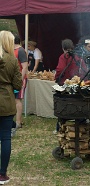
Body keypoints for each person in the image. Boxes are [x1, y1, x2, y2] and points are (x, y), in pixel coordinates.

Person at [0, 30, 23, 185]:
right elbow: (17, 84)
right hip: (6, 100)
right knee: (5, 137)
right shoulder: (12, 60)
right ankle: (2, 174)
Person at [10, 35, 28, 137]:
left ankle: (18, 122)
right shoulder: (9, 50)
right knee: (13, 100)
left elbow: (24, 67)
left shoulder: (20, 51)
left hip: (20, 78)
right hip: (11, 79)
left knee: (18, 100)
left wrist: (20, 80)